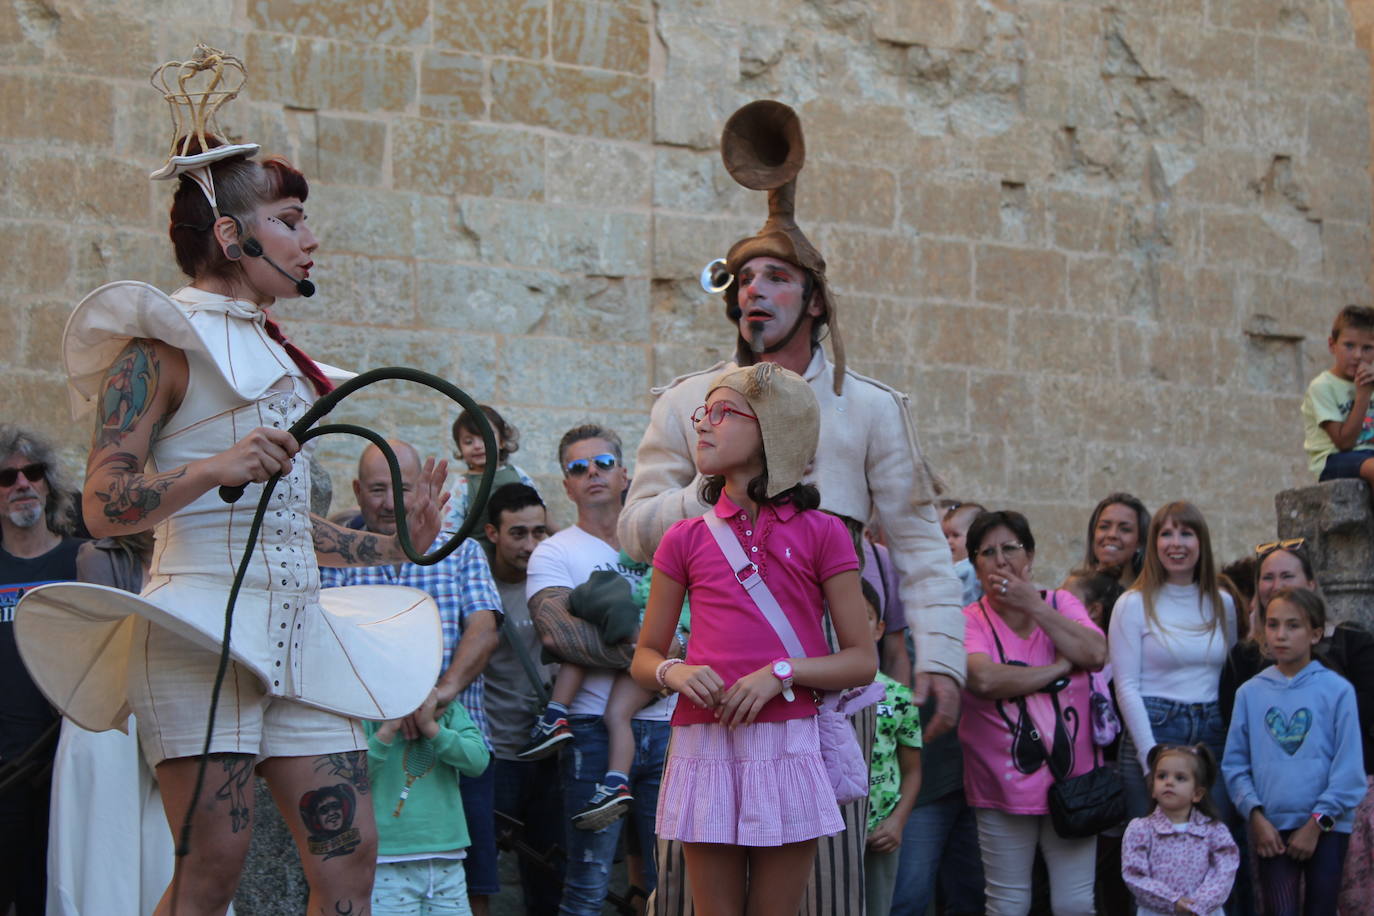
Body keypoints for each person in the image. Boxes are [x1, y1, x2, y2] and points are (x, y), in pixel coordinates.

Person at [14, 47, 451, 915]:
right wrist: (214, 467)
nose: (310, 238)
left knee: (350, 864)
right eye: (291, 220)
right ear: (230, 235)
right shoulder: (158, 350)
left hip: (302, 632)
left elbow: (289, 524)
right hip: (196, 633)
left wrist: (399, 542)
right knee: (214, 868)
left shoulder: (287, 361)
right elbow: (102, 506)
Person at [618, 99, 963, 915]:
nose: (754, 292)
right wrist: (716, 489)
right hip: (716, 670)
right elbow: (634, 529)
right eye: (745, 279)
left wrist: (943, 658)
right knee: (694, 891)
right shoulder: (692, 403)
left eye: (776, 277)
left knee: (826, 885)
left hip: (827, 668)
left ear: (814, 300)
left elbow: (920, 543)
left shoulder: (870, 406)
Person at [629, 363, 877, 916]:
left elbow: (862, 661)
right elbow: (645, 657)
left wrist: (782, 672)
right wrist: (675, 671)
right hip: (704, 742)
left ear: (773, 429)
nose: (702, 424)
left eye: (723, 413)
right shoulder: (683, 538)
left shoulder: (825, 532)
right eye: (704, 413)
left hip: (789, 740)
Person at [321, 439, 503, 916]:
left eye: (402, 489)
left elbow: (483, 630)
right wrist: (387, 707)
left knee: (470, 884)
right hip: (371, 756)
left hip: (455, 747)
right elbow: (324, 646)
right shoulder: (337, 561)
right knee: (363, 881)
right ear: (357, 491)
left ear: (423, 488)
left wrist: (440, 695)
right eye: (377, 489)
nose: (390, 502)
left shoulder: (460, 551)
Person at [528, 424, 673, 915]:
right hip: (590, 729)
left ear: (624, 474)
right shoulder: (555, 551)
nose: (592, 473)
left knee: (668, 881)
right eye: (578, 467)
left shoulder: (662, 543)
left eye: (603, 463)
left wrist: (660, 650)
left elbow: (701, 623)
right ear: (566, 485)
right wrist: (660, 659)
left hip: (670, 727)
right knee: (587, 883)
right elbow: (558, 636)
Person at [958, 509, 1107, 916]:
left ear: (1031, 556)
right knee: (1008, 904)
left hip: (1073, 786)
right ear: (975, 566)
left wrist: (1034, 606)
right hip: (1000, 788)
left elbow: (1095, 653)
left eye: (1010, 548)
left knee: (1075, 904)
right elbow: (984, 679)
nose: (1001, 560)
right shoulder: (970, 621)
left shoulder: (1061, 603)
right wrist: (1058, 670)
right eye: (987, 552)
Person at [48, 530, 175, 916]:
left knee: (167, 853)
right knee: (105, 852)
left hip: (174, 711)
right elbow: (111, 645)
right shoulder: (100, 557)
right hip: (110, 717)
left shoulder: (202, 555)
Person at [1222, 587, 1367, 914]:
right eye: (1273, 625)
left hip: (1327, 828)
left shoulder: (1337, 691)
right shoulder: (1249, 694)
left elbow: (1349, 773)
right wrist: (1255, 816)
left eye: (1293, 625)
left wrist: (1316, 825)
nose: (1281, 635)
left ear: (1315, 633)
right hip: (1272, 830)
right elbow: (1235, 766)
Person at [1109, 501, 1236, 826]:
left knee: (1214, 837)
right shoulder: (1132, 603)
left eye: (1186, 534)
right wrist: (1150, 759)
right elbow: (1126, 686)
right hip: (1154, 728)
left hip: (1212, 733)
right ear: (1153, 544)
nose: (1176, 543)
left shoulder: (1222, 603)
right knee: (1152, 842)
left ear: (1201, 542)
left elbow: (1229, 673)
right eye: (1166, 534)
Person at [0, 427, 83, 915]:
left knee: (49, 899)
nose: (21, 484)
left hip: (64, 767)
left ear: (48, 484)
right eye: (6, 477)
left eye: (32, 473)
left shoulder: (83, 561)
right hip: (4, 769)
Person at [479, 483, 562, 916]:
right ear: (492, 533)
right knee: (480, 873)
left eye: (539, 531)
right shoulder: (479, 585)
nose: (530, 545)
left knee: (549, 875)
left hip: (553, 752)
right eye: (518, 533)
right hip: (499, 753)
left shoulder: (555, 576)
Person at [366, 687, 491, 916]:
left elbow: (477, 762)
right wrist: (388, 729)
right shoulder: (365, 711)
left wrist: (431, 728)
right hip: (386, 861)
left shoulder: (449, 710)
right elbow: (353, 777)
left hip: (447, 859)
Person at [858, 580, 923, 916]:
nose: (853, 626)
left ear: (879, 628)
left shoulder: (898, 697)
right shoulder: (814, 692)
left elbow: (913, 771)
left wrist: (897, 821)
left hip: (879, 832)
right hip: (826, 830)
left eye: (864, 617)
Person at [1121, 744, 1238, 916]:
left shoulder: (1214, 831)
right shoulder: (1140, 829)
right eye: (1162, 776)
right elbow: (1134, 874)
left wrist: (1199, 905)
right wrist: (1172, 901)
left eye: (1180, 778)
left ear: (1197, 793)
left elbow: (1224, 872)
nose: (1169, 782)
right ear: (1153, 788)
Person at [1301, 304, 1374, 483]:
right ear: (1332, 345)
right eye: (1349, 346)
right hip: (1333, 459)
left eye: (1367, 348)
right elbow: (1344, 443)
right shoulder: (1323, 386)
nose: (1358, 355)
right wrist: (1363, 395)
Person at [445, 405, 536, 534]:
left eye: (485, 437)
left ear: (502, 441)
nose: (477, 446)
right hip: (478, 547)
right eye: (469, 441)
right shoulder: (462, 486)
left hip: (520, 544)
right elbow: (451, 531)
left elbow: (538, 510)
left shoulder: (518, 474)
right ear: (460, 448)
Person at [1082, 492, 1151, 589]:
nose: (1112, 534)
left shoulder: (1150, 595)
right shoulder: (1075, 591)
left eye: (1125, 529)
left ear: (1140, 541)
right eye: (1104, 527)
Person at [942, 501, 985, 607]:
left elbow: (967, 601)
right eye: (946, 536)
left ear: (976, 537)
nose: (948, 541)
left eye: (955, 535)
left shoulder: (969, 569)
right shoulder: (954, 563)